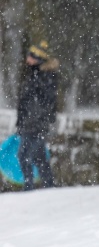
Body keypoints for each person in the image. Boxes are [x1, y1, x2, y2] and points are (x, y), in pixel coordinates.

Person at [15, 40, 58, 191]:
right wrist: (20, 123)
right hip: (30, 124)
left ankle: (30, 186)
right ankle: (48, 185)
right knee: (37, 157)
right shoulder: (33, 76)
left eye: (31, 56)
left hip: (37, 125)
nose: (27, 59)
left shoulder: (45, 77)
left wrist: (35, 121)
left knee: (26, 155)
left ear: (38, 59)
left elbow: (45, 103)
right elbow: (25, 103)